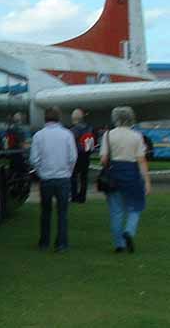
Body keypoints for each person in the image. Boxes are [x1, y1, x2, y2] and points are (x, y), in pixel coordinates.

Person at [100, 106, 152, 253]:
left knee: (116, 212)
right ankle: (129, 231)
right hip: (132, 175)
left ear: (115, 118)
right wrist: (147, 181)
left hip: (113, 175)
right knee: (136, 206)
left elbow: (104, 159)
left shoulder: (108, 135)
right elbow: (141, 160)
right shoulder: (136, 136)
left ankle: (119, 244)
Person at [30, 107, 77, 252]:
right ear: (59, 118)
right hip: (63, 178)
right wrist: (68, 172)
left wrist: (41, 172)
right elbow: (72, 157)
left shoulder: (38, 136)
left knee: (45, 212)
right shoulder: (67, 134)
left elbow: (34, 159)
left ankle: (44, 242)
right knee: (62, 213)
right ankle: (62, 243)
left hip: (46, 179)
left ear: (45, 118)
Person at [69, 109, 95, 203]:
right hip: (86, 154)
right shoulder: (89, 128)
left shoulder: (73, 129)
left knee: (73, 177)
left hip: (76, 155)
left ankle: (74, 196)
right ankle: (82, 197)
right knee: (84, 177)